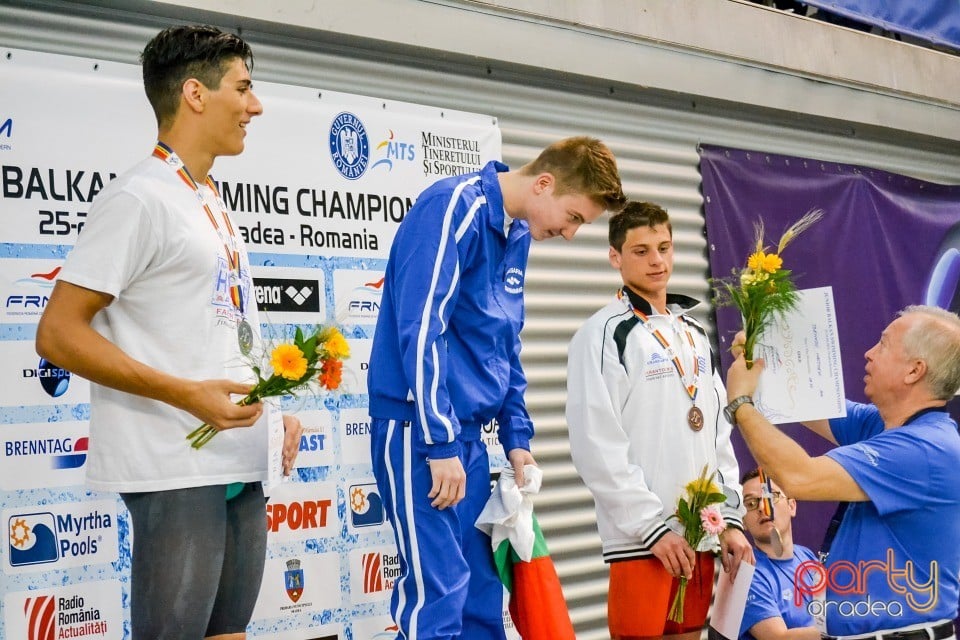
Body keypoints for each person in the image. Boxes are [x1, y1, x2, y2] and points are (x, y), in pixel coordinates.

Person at [35, 25, 302, 640]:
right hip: (174, 464)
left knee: (228, 634)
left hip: (237, 458)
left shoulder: (206, 196)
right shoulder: (140, 197)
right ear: (195, 94)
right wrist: (185, 394)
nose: (255, 105)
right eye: (244, 88)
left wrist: (276, 405)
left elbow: (219, 326)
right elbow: (57, 334)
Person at [367, 136, 625, 640]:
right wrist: (438, 441)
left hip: (467, 440)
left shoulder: (518, 234)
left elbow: (503, 345)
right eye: (573, 217)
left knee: (481, 603)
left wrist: (517, 440)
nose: (571, 234)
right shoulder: (452, 207)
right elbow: (422, 331)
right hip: (419, 432)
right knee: (437, 602)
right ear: (544, 184)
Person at [565, 201, 753, 640]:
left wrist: (728, 519)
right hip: (644, 542)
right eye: (641, 250)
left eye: (664, 248)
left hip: (701, 536)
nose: (656, 261)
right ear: (615, 257)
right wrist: (651, 528)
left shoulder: (693, 333)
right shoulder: (602, 334)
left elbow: (717, 435)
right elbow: (595, 444)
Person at [725, 305, 960, 638]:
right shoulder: (886, 425)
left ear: (914, 371)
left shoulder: (922, 449)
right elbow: (803, 401)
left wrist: (740, 403)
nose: (868, 354)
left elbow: (798, 478)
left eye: (883, 345)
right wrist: (760, 361)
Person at [738, 468, 819, 640]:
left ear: (792, 506)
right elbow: (778, 638)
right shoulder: (744, 572)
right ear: (742, 522)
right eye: (751, 504)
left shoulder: (807, 556)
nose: (762, 507)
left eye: (771, 497)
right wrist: (845, 632)